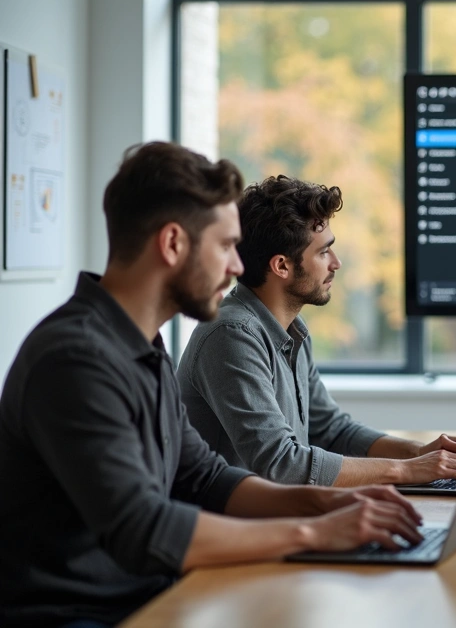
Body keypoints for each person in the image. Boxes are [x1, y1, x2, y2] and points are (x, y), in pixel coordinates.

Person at [0, 143, 423, 628]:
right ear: (173, 244)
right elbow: (144, 529)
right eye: (224, 246)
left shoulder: (139, 347)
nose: (238, 266)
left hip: (151, 599)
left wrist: (331, 502)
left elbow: (202, 477)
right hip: (80, 617)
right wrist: (313, 532)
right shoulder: (76, 359)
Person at [177, 174, 456, 488]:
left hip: (277, 511)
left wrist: (420, 453)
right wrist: (406, 471)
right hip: (227, 518)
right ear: (282, 266)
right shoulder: (232, 335)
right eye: (323, 252)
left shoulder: (292, 329)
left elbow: (331, 430)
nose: (336, 263)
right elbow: (281, 464)